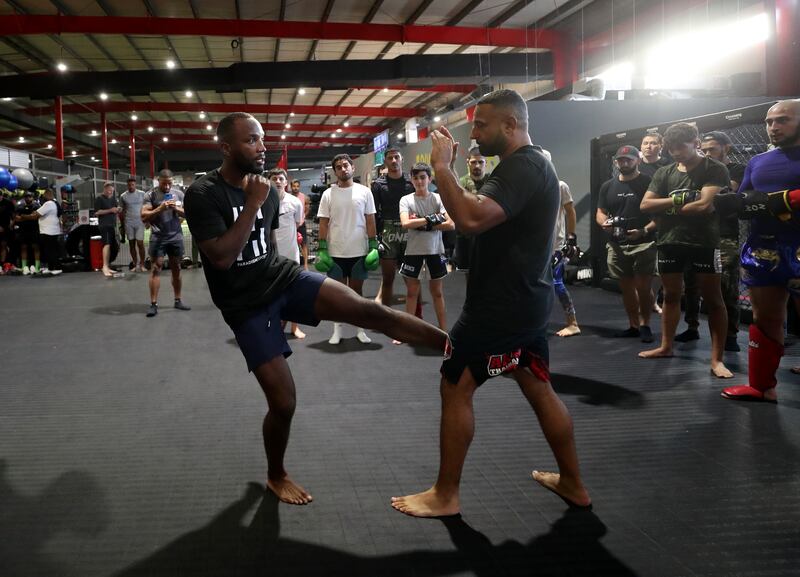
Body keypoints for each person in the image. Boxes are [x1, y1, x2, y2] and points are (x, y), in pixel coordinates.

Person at [183, 112, 447, 504]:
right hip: (243, 306)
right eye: (251, 141)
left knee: (370, 311)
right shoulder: (205, 194)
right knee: (284, 402)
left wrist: (296, 263)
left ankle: (454, 347)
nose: (262, 147)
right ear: (226, 148)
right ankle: (276, 474)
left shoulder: (268, 193)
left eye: (262, 139)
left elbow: (266, 248)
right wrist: (253, 203)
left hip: (280, 278)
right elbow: (221, 257)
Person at [391, 89, 591, 518]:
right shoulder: (533, 165)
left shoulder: (523, 166)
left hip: (501, 307)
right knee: (537, 384)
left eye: (481, 125)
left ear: (510, 125)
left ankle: (446, 495)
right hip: (526, 302)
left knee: (455, 384)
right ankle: (573, 482)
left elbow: (470, 219)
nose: (475, 133)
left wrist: (441, 166)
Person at [719, 99, 800, 402]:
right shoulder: (759, 161)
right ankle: (762, 387)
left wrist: (784, 200)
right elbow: (743, 202)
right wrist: (729, 203)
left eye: (783, 120)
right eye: (769, 121)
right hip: (764, 247)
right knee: (764, 318)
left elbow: (773, 201)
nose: (774, 127)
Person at [639, 122, 733, 378]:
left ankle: (717, 360)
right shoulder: (665, 172)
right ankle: (666, 346)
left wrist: (666, 207)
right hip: (670, 240)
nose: (676, 152)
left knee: (713, 299)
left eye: (682, 146)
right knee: (670, 295)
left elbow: (705, 206)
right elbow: (646, 205)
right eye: (671, 148)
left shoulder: (715, 168)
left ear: (696, 143)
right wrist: (679, 201)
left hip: (704, 241)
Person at [675, 131, 745, 351]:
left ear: (726, 148)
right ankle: (692, 327)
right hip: (695, 234)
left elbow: (720, 196)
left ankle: (731, 334)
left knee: (726, 286)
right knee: (691, 284)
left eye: (711, 149)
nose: (706, 154)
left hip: (724, 235)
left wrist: (694, 198)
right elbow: (695, 198)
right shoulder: (699, 170)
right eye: (703, 150)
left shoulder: (736, 170)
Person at [316, 154, 378, 345]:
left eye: (346, 165)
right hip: (336, 252)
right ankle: (337, 330)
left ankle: (360, 329)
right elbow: (323, 223)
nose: (343, 169)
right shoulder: (328, 194)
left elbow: (370, 219)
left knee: (358, 293)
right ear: (335, 172)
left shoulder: (365, 192)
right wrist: (322, 249)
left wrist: (374, 245)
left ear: (352, 167)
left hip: (359, 250)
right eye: (339, 167)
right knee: (338, 295)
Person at [596, 145, 656, 343]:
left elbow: (660, 215)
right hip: (616, 243)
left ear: (637, 160)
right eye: (621, 160)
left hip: (644, 242)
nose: (625, 163)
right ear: (616, 162)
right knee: (627, 287)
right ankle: (633, 325)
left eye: (629, 159)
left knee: (643, 286)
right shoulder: (607, 186)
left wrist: (644, 230)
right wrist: (604, 224)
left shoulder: (649, 182)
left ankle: (645, 325)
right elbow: (601, 212)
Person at [395, 162, 454, 344]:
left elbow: (450, 224)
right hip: (414, 251)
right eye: (416, 177)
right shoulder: (406, 200)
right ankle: (406, 332)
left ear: (429, 179)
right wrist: (434, 220)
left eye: (423, 177)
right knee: (412, 293)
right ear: (411, 180)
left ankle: (444, 332)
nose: (419, 181)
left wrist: (421, 222)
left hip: (435, 251)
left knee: (437, 293)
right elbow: (405, 223)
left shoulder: (438, 198)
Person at [141, 170, 191, 317]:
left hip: (175, 236)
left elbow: (188, 213)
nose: (168, 186)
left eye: (170, 183)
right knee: (156, 269)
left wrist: (176, 208)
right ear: (159, 181)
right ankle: (153, 304)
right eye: (164, 183)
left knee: (176, 268)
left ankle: (178, 300)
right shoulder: (150, 195)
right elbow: (143, 215)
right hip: (158, 237)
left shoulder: (179, 194)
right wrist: (160, 208)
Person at [370, 149, 414, 307]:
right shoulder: (377, 185)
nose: (394, 160)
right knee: (388, 278)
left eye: (397, 157)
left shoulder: (412, 182)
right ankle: (386, 318)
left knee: (412, 279)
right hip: (387, 233)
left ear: (402, 159)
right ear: (385, 161)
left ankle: (416, 318)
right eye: (390, 158)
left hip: (410, 232)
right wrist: (374, 239)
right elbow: (373, 213)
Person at [544, 150, 581, 338]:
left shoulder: (560, 186)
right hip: (536, 247)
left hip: (555, 246)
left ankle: (572, 323)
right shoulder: (530, 187)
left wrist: (571, 237)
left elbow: (570, 211)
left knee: (557, 283)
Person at [270, 168, 306, 339]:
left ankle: (294, 327)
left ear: (286, 182)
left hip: (291, 254)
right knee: (272, 293)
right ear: (269, 181)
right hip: (270, 256)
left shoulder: (295, 202)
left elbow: (298, 222)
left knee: (293, 291)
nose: (277, 181)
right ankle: (274, 325)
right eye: (274, 178)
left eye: (280, 178)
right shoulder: (263, 202)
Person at [455, 147, 489, 274]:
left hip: (488, 235)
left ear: (485, 162)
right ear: (468, 162)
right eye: (474, 162)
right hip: (466, 237)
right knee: (468, 273)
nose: (477, 165)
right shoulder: (460, 183)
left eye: (481, 162)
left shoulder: (492, 182)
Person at [14, 187, 62, 275]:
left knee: (51, 251)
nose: (43, 196)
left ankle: (57, 268)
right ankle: (51, 268)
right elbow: (35, 213)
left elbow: (36, 215)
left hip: (49, 231)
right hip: (48, 230)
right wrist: (31, 215)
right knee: (48, 250)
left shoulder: (49, 203)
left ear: (48, 194)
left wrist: (23, 216)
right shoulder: (52, 203)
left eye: (44, 195)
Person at [120, 177, 147, 272]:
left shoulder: (142, 194)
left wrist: (147, 221)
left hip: (140, 221)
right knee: (131, 244)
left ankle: (143, 264)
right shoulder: (123, 196)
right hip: (129, 222)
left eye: (132, 184)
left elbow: (147, 207)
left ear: (135, 185)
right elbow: (122, 211)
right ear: (127, 185)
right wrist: (122, 224)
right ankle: (135, 264)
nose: (131, 186)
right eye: (129, 185)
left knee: (140, 243)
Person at [94, 182, 119, 277]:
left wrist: (118, 209)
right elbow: (97, 212)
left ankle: (107, 266)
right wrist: (110, 210)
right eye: (108, 190)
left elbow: (115, 208)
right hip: (104, 225)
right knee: (106, 244)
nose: (110, 192)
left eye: (112, 191)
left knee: (110, 245)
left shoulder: (112, 198)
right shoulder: (99, 198)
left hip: (112, 225)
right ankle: (104, 266)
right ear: (104, 189)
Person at [15, 191, 41, 274]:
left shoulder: (37, 206)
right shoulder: (20, 207)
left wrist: (23, 216)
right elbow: (16, 219)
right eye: (26, 197)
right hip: (23, 230)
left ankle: (37, 267)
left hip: (34, 230)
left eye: (29, 196)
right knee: (23, 247)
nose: (28, 198)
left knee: (36, 248)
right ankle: (24, 267)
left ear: (32, 197)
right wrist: (29, 217)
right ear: (24, 198)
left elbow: (35, 218)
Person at [288, 179, 309, 270]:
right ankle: (293, 265)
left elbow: (307, 209)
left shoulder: (304, 197)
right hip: (291, 225)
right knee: (292, 244)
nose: (295, 188)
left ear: (299, 187)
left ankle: (306, 265)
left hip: (301, 224)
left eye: (297, 186)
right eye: (294, 186)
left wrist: (303, 217)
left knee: (304, 244)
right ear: (291, 187)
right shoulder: (288, 197)